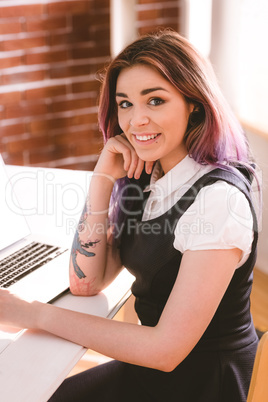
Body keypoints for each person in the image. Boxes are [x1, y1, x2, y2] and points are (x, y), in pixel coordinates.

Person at [0, 30, 261, 402]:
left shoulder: (218, 201)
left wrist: (31, 314)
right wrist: (101, 182)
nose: (136, 120)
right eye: (125, 104)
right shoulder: (148, 175)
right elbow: (86, 284)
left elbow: (165, 351)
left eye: (155, 100)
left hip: (201, 382)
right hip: (150, 369)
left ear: (194, 105)